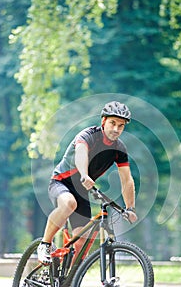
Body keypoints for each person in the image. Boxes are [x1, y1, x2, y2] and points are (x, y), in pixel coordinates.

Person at [37, 101, 138, 265]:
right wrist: (84, 174)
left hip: (82, 191)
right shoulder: (88, 135)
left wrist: (130, 208)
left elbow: (127, 180)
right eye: (113, 123)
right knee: (69, 203)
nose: (116, 129)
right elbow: (81, 153)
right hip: (61, 182)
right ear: (103, 121)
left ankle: (69, 280)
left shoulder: (119, 149)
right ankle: (45, 244)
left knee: (82, 239)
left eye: (121, 126)